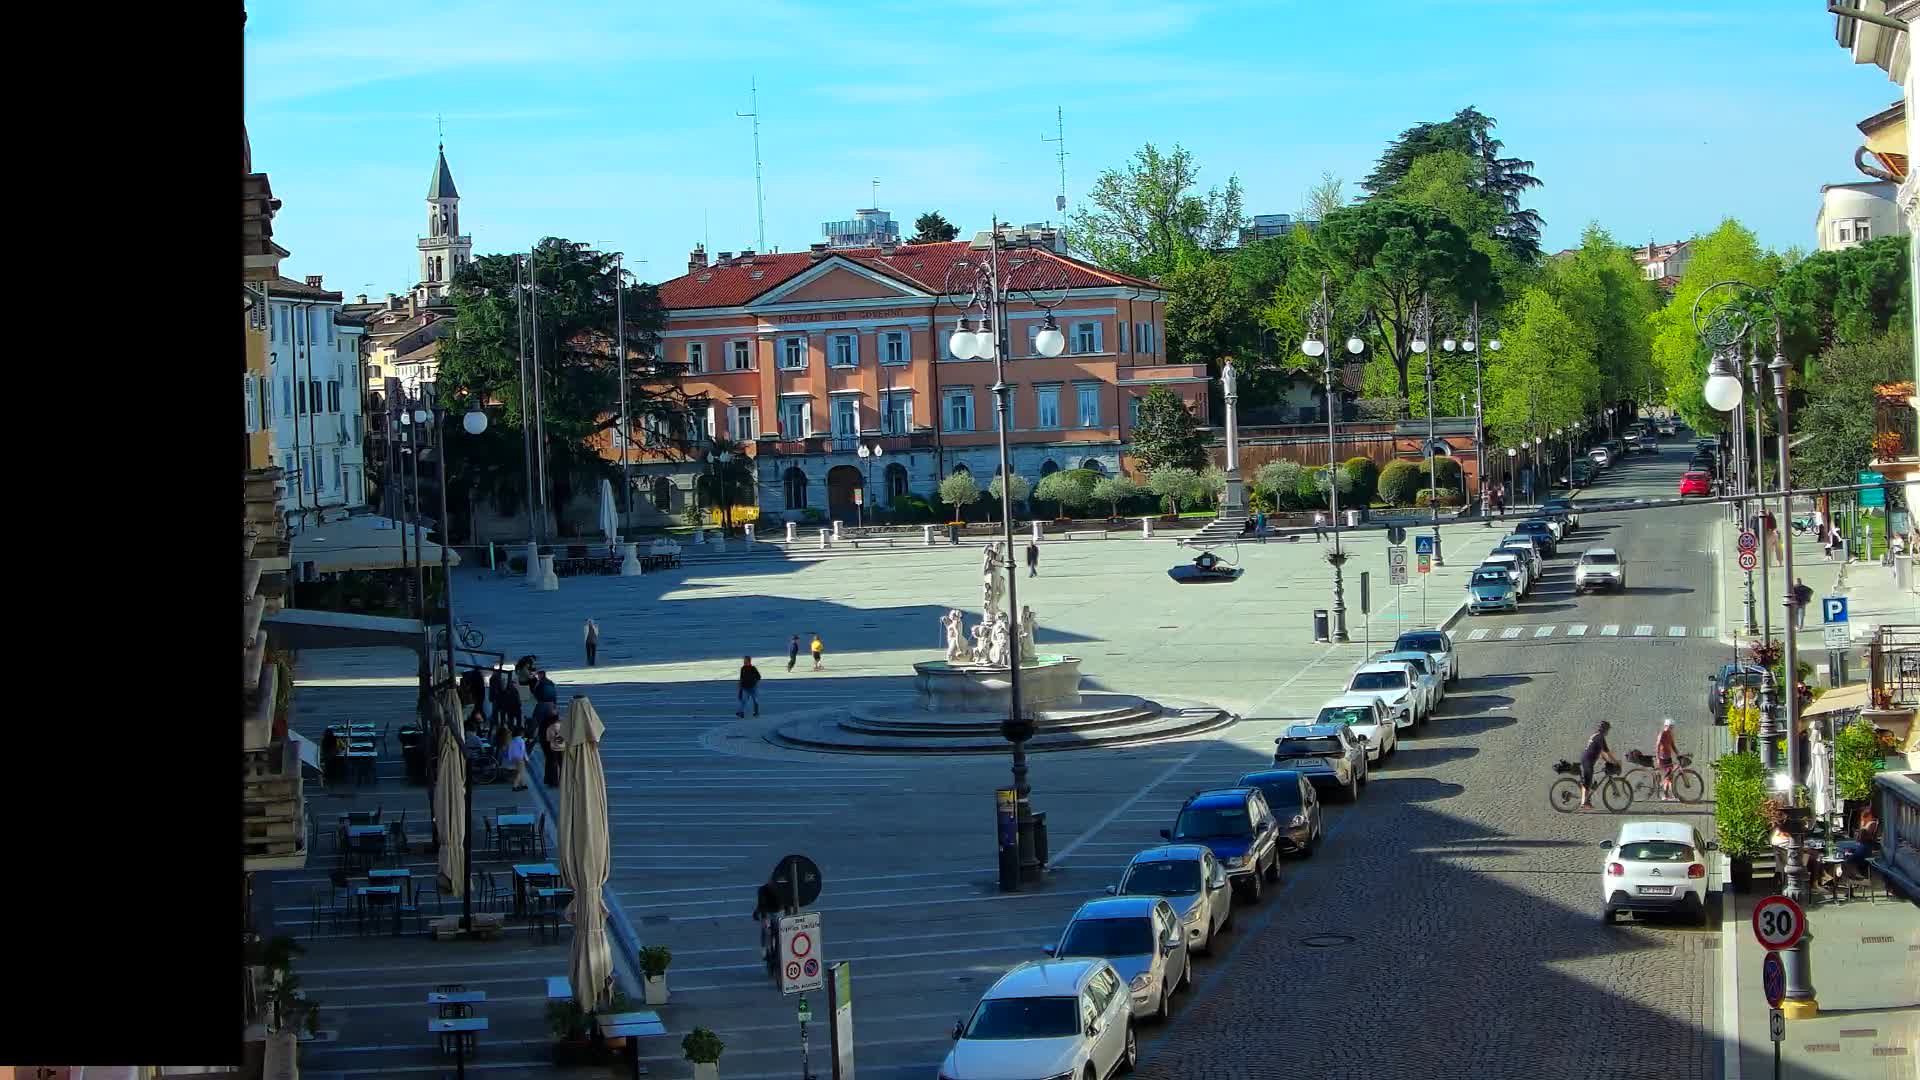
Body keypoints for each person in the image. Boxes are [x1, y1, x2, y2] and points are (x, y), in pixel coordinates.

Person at [1579, 720, 1620, 811]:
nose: (1608, 732)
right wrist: (1616, 762)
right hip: (1588, 760)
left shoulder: (1595, 736)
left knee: (1589, 780)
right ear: (1605, 730)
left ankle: (1587, 800)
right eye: (1607, 730)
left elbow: (1600, 752)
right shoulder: (1600, 737)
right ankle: (1583, 803)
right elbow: (1607, 752)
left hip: (1586, 759)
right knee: (1587, 781)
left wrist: (1607, 761)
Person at [752, 882, 785, 975]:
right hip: (772, 912)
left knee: (767, 931)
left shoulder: (764, 889)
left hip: (774, 912)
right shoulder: (778, 888)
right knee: (766, 929)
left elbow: (761, 905)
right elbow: (762, 905)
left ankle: (765, 950)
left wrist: (758, 913)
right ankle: (765, 950)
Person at [1654, 719, 1680, 802]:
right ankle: (1664, 795)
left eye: (1672, 727)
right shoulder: (1662, 734)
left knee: (1670, 777)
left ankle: (1669, 795)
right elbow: (1657, 746)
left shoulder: (1670, 734)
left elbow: (1672, 745)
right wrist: (1657, 758)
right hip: (1662, 758)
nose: (1671, 728)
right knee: (1668, 777)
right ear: (1666, 726)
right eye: (1670, 727)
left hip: (1668, 758)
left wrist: (1678, 754)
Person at [542, 706, 566, 787]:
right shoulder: (563, 725)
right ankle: (563, 781)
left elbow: (548, 739)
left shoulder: (550, 727)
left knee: (553, 764)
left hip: (553, 748)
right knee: (562, 764)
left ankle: (554, 781)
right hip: (563, 747)